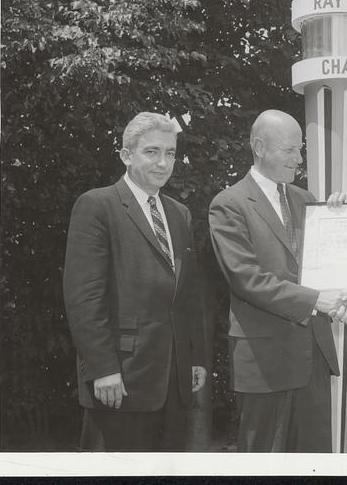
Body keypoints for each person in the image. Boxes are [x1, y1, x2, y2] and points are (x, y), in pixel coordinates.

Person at [208, 109, 347, 453]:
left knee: (315, 467)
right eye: (289, 150)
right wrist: (315, 301)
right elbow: (246, 278)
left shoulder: (307, 200)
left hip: (314, 360)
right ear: (259, 146)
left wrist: (341, 218)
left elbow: (327, 264)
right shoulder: (229, 204)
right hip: (265, 364)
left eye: (301, 150)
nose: (298, 159)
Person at [63, 112, 207, 452]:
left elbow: (188, 295)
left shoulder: (179, 213)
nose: (163, 162)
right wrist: (102, 369)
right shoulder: (97, 205)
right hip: (120, 380)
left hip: (174, 382)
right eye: (152, 152)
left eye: (170, 153)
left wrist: (195, 357)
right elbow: (84, 298)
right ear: (127, 156)